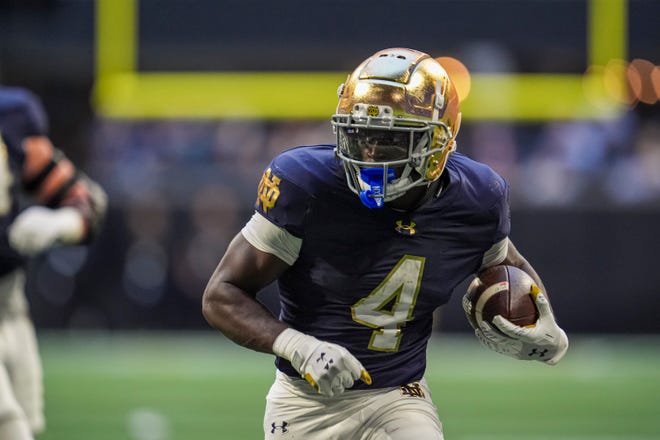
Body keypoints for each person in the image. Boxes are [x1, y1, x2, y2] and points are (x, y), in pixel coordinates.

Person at [202, 47, 568, 439]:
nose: (371, 153)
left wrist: (548, 329)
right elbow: (221, 294)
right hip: (308, 402)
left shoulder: (475, 199)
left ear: (438, 143)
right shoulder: (308, 187)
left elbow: (508, 268)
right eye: (361, 135)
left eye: (392, 139)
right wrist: (297, 346)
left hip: (399, 394)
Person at [0, 85, 107, 440]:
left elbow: (89, 203)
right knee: (9, 424)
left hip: (9, 307)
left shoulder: (12, 118)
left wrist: (61, 224)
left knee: (27, 424)